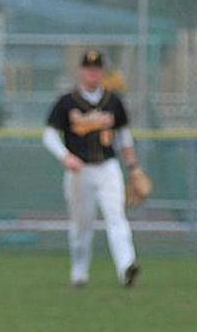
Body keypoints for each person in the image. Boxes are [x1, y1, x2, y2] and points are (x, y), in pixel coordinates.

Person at [42, 50, 141, 288]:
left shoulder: (113, 101)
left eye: (96, 68)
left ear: (102, 71)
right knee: (81, 225)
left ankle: (127, 267)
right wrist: (65, 156)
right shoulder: (67, 101)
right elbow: (49, 135)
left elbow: (124, 137)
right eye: (88, 68)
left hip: (108, 167)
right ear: (81, 71)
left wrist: (134, 167)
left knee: (116, 217)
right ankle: (79, 272)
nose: (92, 72)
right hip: (79, 171)